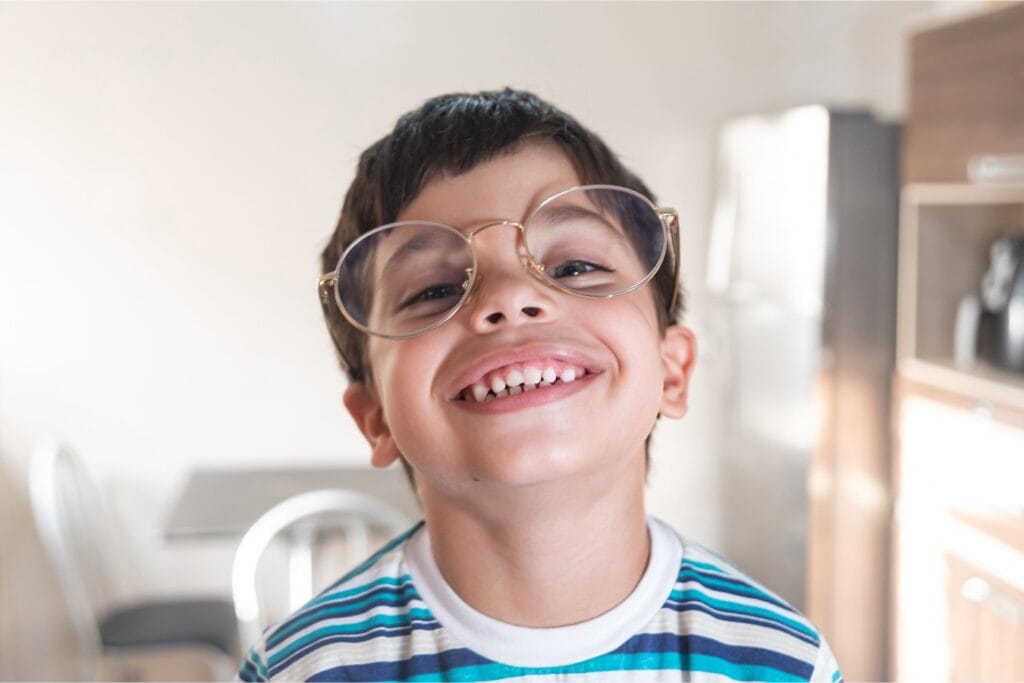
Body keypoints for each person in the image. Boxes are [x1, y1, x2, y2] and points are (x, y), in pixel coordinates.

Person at [237, 88, 843, 682]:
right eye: (435, 291)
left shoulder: (784, 663)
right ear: (374, 417)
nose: (509, 297)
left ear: (673, 372)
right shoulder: (303, 670)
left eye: (575, 267)